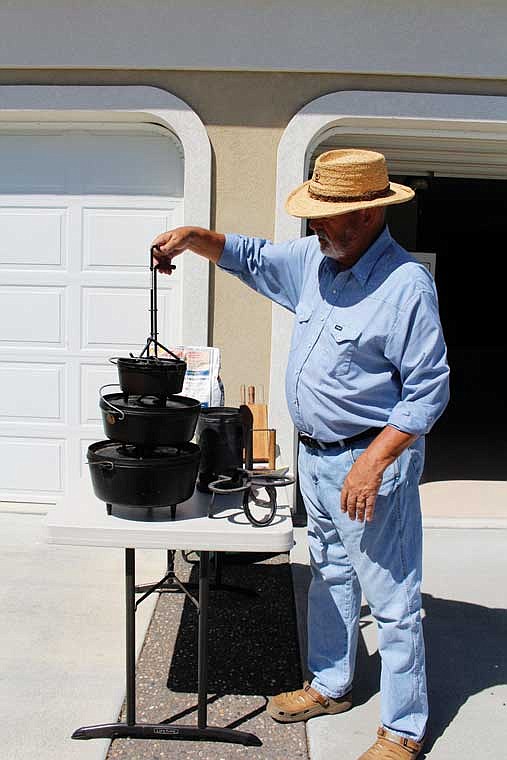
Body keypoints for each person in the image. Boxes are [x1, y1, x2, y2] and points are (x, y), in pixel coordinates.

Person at [151, 149, 450, 760]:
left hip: (370, 464)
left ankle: (403, 730)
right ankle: (332, 683)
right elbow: (251, 256)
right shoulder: (316, 260)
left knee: (392, 600)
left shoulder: (405, 287)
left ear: (367, 216)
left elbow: (429, 390)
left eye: (326, 218)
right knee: (331, 573)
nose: (314, 228)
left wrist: (373, 462)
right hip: (315, 459)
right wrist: (192, 238)